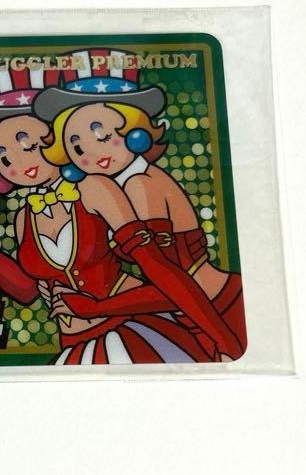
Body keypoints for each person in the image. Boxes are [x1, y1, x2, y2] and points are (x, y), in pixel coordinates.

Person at [0, 65, 204, 364]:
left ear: (56, 138)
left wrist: (98, 307)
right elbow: (27, 291)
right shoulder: (24, 218)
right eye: (3, 157)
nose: (18, 162)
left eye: (26, 144)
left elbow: (161, 275)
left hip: (131, 329)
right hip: (74, 345)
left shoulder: (94, 188)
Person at [31, 56, 245, 360]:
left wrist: (97, 307)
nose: (93, 152)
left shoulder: (139, 184)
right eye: (77, 146)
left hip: (218, 309)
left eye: (103, 136)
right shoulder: (116, 189)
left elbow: (169, 283)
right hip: (194, 316)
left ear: (134, 130)